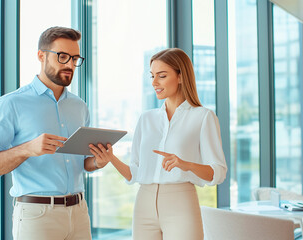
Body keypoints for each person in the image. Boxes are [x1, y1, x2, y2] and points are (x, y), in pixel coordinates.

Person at [0, 26, 105, 240]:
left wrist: (98, 161)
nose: (70, 65)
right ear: (41, 56)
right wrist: (27, 149)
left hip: (79, 212)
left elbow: (82, 162)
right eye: (63, 57)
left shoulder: (80, 107)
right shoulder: (11, 104)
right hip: (37, 217)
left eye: (75, 58)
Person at [89, 48, 227, 240]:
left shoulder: (203, 117)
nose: (154, 83)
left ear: (180, 76)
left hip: (180, 203)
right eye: (152, 76)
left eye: (162, 76)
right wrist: (111, 158)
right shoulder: (146, 119)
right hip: (144, 202)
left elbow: (218, 172)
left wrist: (185, 164)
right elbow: (134, 173)